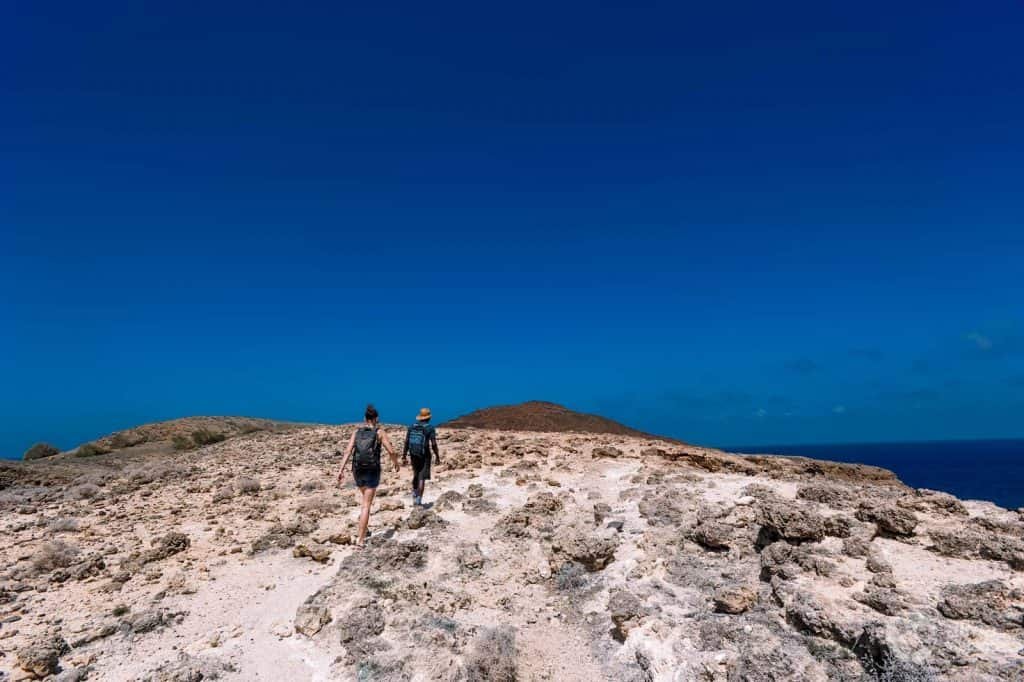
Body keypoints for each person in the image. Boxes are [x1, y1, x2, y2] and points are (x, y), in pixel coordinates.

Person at [338, 404, 400, 548]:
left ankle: (363, 529)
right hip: (372, 469)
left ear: (364, 418)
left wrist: (340, 470)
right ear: (376, 418)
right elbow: (391, 451)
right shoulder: (380, 432)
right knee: (366, 505)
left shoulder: (356, 432)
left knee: (364, 499)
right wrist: (396, 463)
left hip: (357, 470)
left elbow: (347, 452)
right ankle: (360, 539)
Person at [403, 407, 440, 506]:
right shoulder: (430, 428)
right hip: (425, 455)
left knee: (416, 474)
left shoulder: (412, 426)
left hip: (413, 454)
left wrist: (404, 456)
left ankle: (414, 495)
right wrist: (437, 456)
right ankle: (418, 500)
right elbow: (434, 444)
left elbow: (406, 442)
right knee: (422, 477)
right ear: (429, 418)